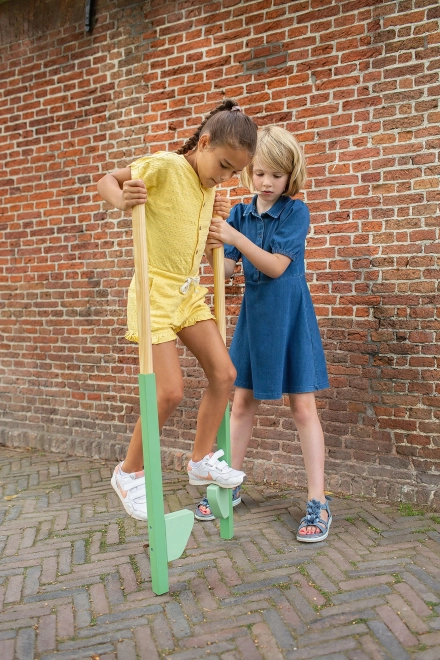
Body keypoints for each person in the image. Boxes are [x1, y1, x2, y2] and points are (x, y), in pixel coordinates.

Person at [97, 100, 258, 521]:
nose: (225, 177)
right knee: (168, 391)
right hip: (154, 290)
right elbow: (105, 181)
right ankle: (129, 472)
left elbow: (195, 235)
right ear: (204, 142)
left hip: (188, 293)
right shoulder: (166, 165)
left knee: (225, 374)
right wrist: (122, 198)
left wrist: (213, 226)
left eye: (233, 173)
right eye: (223, 165)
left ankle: (201, 458)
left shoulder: (210, 188)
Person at [200, 125, 331, 542]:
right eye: (259, 173)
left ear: (290, 175)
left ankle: (318, 501)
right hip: (254, 318)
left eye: (276, 174)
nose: (266, 182)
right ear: (248, 173)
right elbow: (226, 271)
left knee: (302, 407)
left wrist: (234, 237)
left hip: (290, 315)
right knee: (241, 404)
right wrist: (212, 245)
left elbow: (276, 266)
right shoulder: (238, 213)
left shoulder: (296, 212)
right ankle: (230, 484)